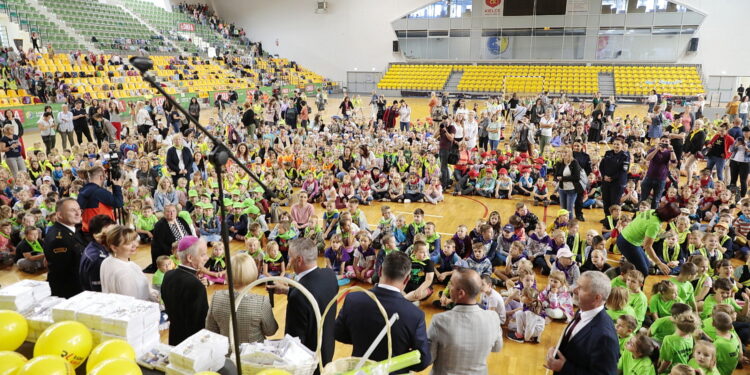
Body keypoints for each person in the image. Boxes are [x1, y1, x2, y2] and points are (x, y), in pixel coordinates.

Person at [335, 251, 431, 374]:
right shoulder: (415, 314)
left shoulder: (353, 299)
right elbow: (422, 360)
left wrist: (361, 339)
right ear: (407, 279)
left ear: (379, 271)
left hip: (360, 370)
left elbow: (338, 333)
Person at [270, 238, 338, 367]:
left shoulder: (298, 296)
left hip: (309, 359)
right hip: (327, 347)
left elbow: (294, 340)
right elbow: (316, 296)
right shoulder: (329, 275)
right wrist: (289, 291)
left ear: (299, 260)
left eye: (290, 257)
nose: (288, 261)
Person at [428, 268, 502, 375]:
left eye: (451, 284)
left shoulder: (439, 321)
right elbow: (497, 348)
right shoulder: (493, 317)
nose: (449, 287)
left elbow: (429, 358)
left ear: (461, 293)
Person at [545, 271, 619, 375]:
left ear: (597, 298)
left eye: (581, 288)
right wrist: (556, 351)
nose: (574, 290)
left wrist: (565, 368)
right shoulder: (583, 310)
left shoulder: (605, 337)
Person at [206, 252, 278, 344]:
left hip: (225, 352)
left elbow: (210, 329)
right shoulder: (262, 302)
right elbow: (271, 331)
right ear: (253, 271)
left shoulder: (216, 297)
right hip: (253, 354)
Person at [161, 236, 209, 346]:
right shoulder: (196, 286)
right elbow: (201, 321)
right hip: (192, 342)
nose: (206, 258)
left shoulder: (168, 275)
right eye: (203, 255)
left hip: (174, 336)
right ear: (190, 258)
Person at [616, 203, 681, 279]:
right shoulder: (654, 224)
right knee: (643, 272)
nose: (675, 220)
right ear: (668, 216)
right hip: (627, 243)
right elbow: (647, 246)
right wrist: (659, 263)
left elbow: (651, 235)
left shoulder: (652, 212)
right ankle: (634, 289)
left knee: (647, 265)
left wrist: (665, 235)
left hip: (626, 238)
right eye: (674, 217)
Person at [44, 198, 87, 298]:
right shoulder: (59, 239)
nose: (78, 213)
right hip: (69, 292)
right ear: (59, 215)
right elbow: (65, 272)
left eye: (79, 209)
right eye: (72, 210)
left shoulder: (70, 229)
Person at [99, 226, 156, 301]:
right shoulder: (125, 272)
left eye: (134, 240)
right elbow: (135, 301)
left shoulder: (106, 262)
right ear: (114, 248)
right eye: (128, 243)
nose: (135, 245)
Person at [77, 166, 124, 234]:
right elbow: (119, 203)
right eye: (105, 177)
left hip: (87, 230)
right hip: (101, 232)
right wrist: (117, 187)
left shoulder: (82, 191)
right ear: (101, 177)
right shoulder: (99, 192)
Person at [147, 204, 193, 273]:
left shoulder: (180, 219)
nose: (171, 213)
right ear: (164, 213)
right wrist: (174, 251)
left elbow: (189, 233)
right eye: (168, 211)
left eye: (173, 211)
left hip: (185, 247)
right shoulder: (160, 225)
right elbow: (161, 244)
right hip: (171, 250)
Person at [79, 214, 116, 291]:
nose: (114, 236)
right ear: (96, 235)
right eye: (110, 233)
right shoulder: (97, 259)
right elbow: (99, 290)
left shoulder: (98, 247)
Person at [640, 136, 677, 209]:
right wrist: (657, 149)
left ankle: (653, 216)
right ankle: (638, 214)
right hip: (649, 177)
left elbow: (674, 162)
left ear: (669, 143)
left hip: (661, 179)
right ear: (659, 141)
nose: (664, 143)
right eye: (663, 141)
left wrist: (672, 150)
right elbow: (647, 158)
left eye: (666, 141)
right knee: (643, 198)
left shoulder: (669, 152)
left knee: (656, 200)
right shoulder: (653, 149)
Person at [599, 136, 630, 217]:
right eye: (615, 144)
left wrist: (611, 178)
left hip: (617, 183)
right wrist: (604, 176)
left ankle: (614, 220)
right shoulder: (608, 153)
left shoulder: (625, 156)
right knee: (606, 201)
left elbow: (623, 171)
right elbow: (601, 166)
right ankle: (607, 218)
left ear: (622, 145)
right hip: (606, 181)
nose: (616, 146)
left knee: (614, 203)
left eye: (618, 144)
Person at [553, 147, 583, 220]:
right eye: (562, 152)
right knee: (563, 209)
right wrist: (555, 180)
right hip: (562, 188)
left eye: (566, 152)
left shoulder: (574, 162)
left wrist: (563, 178)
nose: (564, 154)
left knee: (569, 210)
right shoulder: (559, 162)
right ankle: (563, 225)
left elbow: (576, 177)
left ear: (570, 153)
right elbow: (556, 174)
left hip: (572, 189)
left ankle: (570, 226)